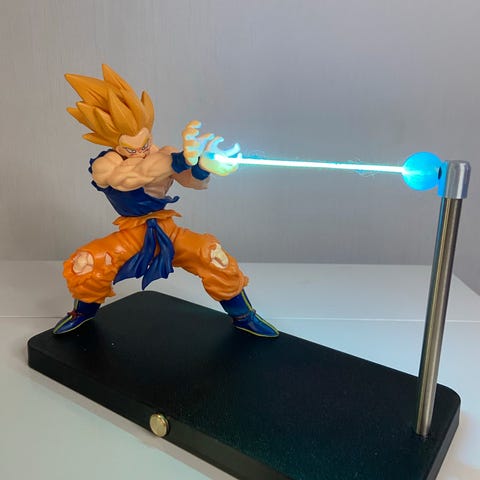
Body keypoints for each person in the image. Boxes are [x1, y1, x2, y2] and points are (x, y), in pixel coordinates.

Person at [53, 64, 278, 338]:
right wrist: (179, 159)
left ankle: (244, 316)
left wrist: (202, 166)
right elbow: (130, 177)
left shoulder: (165, 153)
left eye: (146, 143)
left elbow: (191, 181)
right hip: (131, 235)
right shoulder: (105, 164)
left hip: (167, 229)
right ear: (114, 143)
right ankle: (82, 313)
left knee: (212, 255)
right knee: (88, 261)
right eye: (132, 148)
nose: (141, 151)